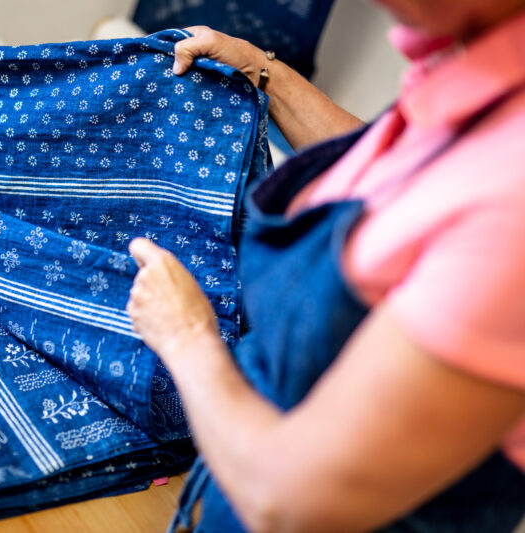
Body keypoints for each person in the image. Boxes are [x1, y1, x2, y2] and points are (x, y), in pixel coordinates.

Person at [125, 0, 525, 531]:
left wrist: (184, 335)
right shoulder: (469, 82)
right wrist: (260, 71)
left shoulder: (510, 204)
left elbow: (287, 501)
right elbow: (389, 192)